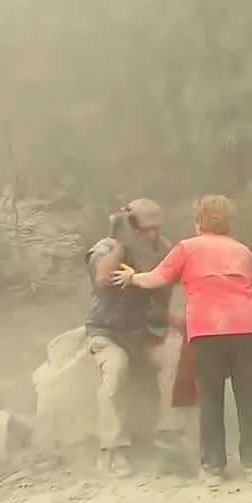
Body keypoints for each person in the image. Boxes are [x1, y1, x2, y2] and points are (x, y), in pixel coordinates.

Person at [113, 195, 252, 488]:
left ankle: (213, 468)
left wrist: (132, 277)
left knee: (211, 398)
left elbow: (156, 278)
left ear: (199, 222)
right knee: (248, 398)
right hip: (248, 328)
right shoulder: (245, 252)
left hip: (208, 330)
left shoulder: (187, 248)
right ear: (228, 223)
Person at [83, 198, 184, 476]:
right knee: (115, 371)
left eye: (156, 228)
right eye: (145, 229)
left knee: (175, 358)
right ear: (131, 226)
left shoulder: (162, 249)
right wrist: (123, 244)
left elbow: (168, 286)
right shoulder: (105, 249)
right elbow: (103, 279)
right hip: (109, 332)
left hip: (146, 332)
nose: (152, 234)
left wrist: (173, 322)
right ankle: (111, 449)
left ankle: (169, 432)